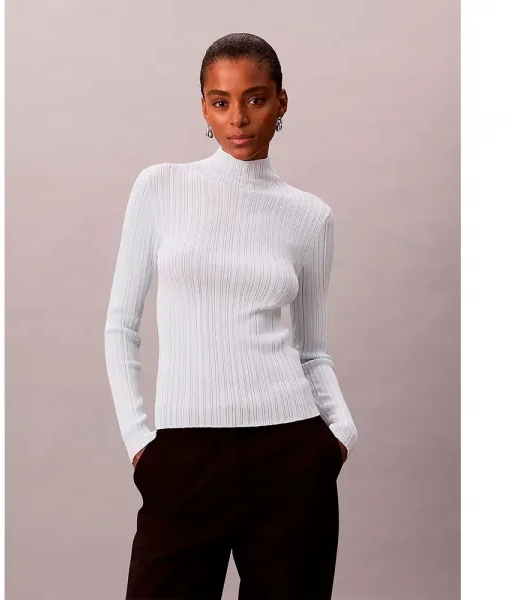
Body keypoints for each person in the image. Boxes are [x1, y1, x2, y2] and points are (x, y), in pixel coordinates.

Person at [104, 32, 358, 600]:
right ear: (204, 107)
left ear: (281, 103)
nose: (238, 119)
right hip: (184, 459)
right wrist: (140, 443)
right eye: (221, 102)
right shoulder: (161, 187)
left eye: (255, 99)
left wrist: (339, 434)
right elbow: (120, 325)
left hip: (291, 459)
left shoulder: (309, 217)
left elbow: (313, 350)